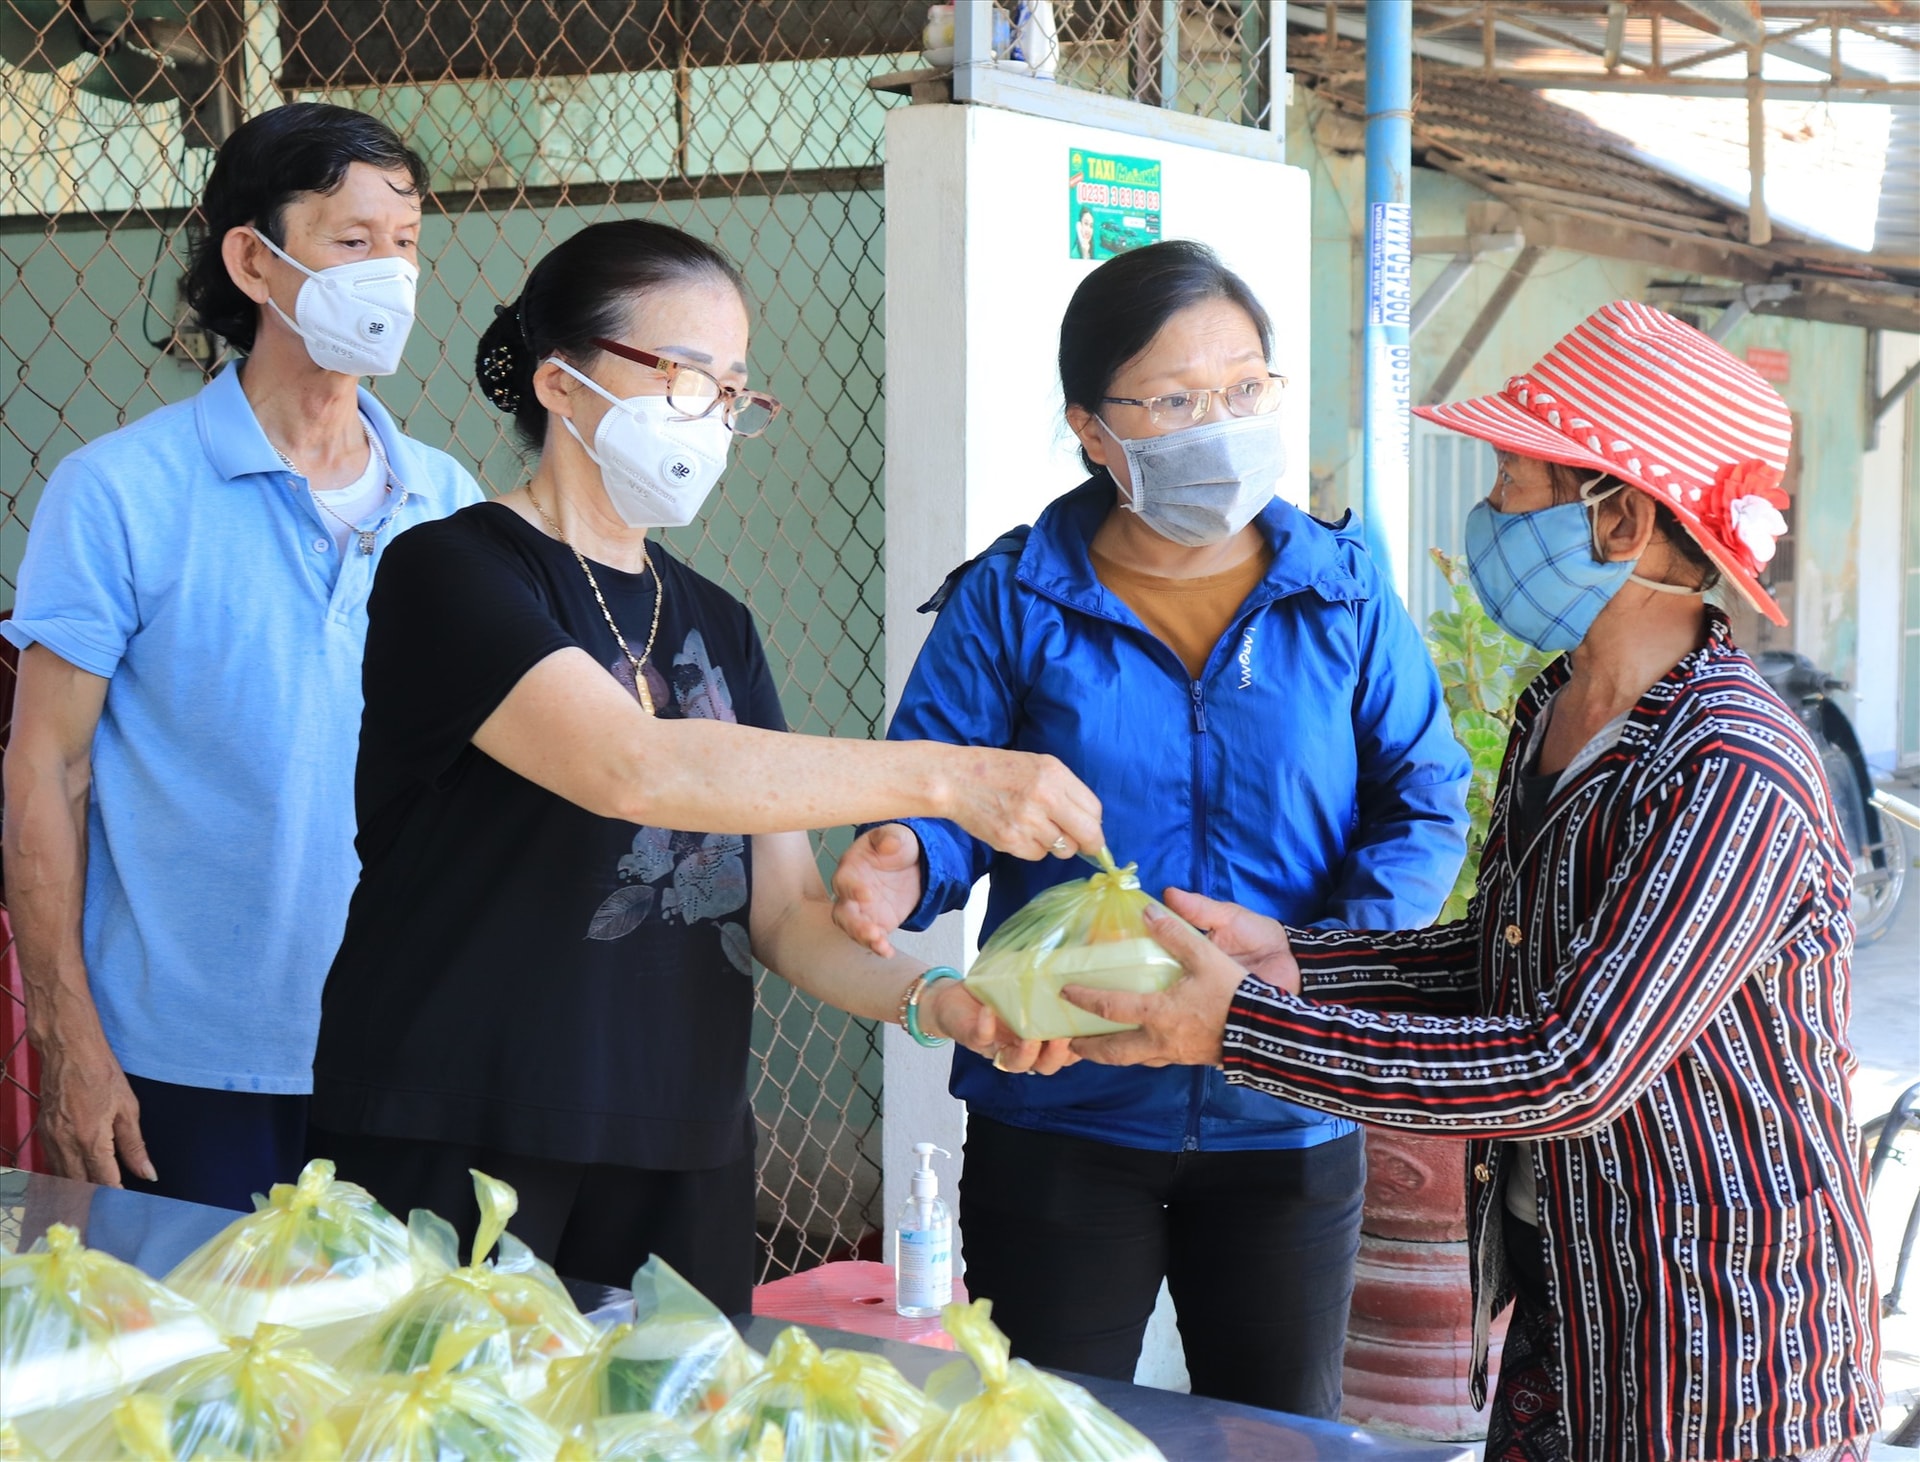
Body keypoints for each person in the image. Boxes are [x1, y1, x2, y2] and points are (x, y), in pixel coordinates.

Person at [1069, 302, 1882, 1461]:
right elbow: (1496, 956)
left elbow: (1570, 1062)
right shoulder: (1560, 706)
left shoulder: (1731, 767)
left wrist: (1241, 1031)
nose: (1490, 506)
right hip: (1567, 1297)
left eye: (1514, 477)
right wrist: (1297, 958)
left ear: (1623, 520)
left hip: (1714, 1338)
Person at [306, 219, 1102, 1312]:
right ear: (561, 383)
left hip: (681, 1142)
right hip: (459, 1133)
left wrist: (943, 1000)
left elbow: (784, 912)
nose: (714, 417)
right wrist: (953, 779)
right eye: (685, 377)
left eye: (734, 392)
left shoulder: (716, 623)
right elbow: (634, 766)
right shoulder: (450, 572)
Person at [831, 240, 1471, 1415]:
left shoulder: (1343, 590)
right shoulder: (1013, 595)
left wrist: (1318, 965)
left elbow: (1423, 799)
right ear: (1091, 426)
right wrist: (903, 856)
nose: (1217, 424)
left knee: (1280, 1435)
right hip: (1062, 1096)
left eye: (1243, 389)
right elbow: (945, 791)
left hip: (1284, 1102)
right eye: (1175, 401)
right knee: (1052, 1429)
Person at [2, 103, 482, 1212]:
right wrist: (65, 1030)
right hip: (178, 1064)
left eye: (405, 246)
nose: (392, 276)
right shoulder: (118, 492)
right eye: (352, 242)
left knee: (383, 1375)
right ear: (254, 261)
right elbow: (44, 771)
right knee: (193, 1371)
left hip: (406, 1054)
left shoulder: (451, 504)